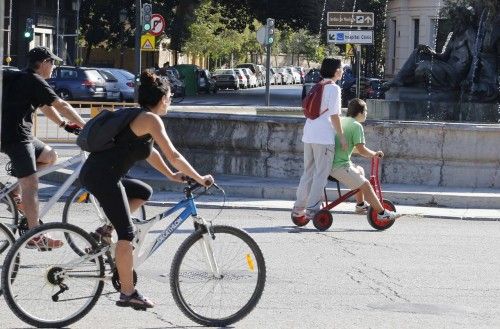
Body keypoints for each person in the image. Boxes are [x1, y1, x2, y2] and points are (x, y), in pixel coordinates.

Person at [79, 71, 214, 309]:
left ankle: (104, 231)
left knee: (143, 192)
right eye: (170, 96)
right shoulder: (151, 119)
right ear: (162, 99)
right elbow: (174, 154)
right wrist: (199, 177)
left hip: (103, 174)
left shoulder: (142, 119)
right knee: (127, 235)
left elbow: (150, 152)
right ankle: (128, 293)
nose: (171, 101)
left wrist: (171, 175)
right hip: (103, 177)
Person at [1, 46, 85, 248]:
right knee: (32, 186)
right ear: (44, 63)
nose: (54, 67)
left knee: (49, 155)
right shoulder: (34, 80)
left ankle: (14, 193)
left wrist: (64, 125)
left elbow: (46, 106)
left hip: (17, 135)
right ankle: (34, 236)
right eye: (53, 63)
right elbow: (61, 105)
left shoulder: (21, 77)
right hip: (16, 138)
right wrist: (87, 126)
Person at [292, 58, 347, 221]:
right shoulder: (334, 89)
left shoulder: (318, 85)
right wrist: (342, 137)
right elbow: (335, 116)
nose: (342, 71)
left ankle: (298, 207)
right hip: (323, 137)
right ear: (336, 71)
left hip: (309, 134)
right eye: (341, 68)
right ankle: (313, 209)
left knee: (308, 172)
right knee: (321, 175)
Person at [330, 98, 401, 221]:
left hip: (332, 163)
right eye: (366, 111)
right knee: (366, 185)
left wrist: (373, 154)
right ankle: (382, 213)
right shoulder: (356, 126)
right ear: (360, 112)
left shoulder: (342, 121)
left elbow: (354, 149)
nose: (367, 113)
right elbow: (361, 150)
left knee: (360, 170)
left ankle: (360, 205)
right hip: (339, 166)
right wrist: (374, 154)